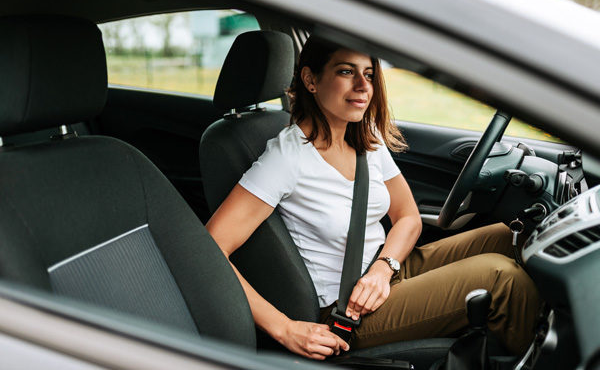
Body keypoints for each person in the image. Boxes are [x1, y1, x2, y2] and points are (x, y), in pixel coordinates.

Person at [205, 36, 540, 360]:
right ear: (310, 79)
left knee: (512, 235)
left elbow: (407, 215)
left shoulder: (366, 136)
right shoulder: (286, 157)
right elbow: (211, 248)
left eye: (368, 74)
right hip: (348, 308)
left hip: (386, 269)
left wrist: (383, 268)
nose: (364, 87)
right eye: (346, 71)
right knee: (500, 278)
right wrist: (285, 328)